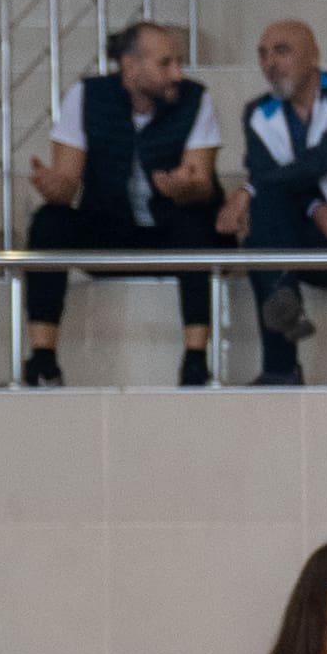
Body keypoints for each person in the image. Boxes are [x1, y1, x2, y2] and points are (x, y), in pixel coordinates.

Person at [19, 19, 221, 390]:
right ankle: (43, 359)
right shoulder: (87, 95)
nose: (177, 73)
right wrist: (52, 185)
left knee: (195, 224)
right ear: (130, 67)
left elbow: (202, 183)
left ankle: (196, 360)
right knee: (50, 221)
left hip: (167, 228)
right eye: (165, 63)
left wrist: (182, 187)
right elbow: (67, 187)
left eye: (179, 62)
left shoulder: (196, 99)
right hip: (108, 225)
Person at [223, 16, 327, 389]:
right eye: (262, 54)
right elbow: (273, 177)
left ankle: (281, 366)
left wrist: (248, 190)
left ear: (313, 55)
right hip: (306, 231)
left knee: (262, 221)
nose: (269, 63)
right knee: (264, 219)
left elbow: (320, 161)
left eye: (282, 51)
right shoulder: (257, 113)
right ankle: (283, 298)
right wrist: (314, 207)